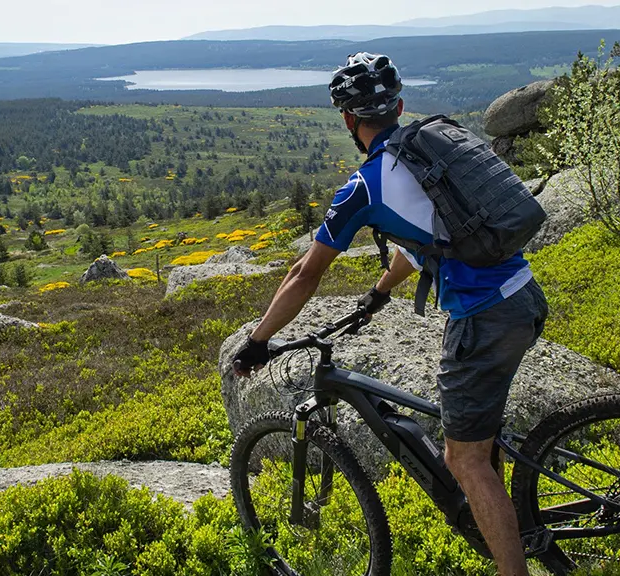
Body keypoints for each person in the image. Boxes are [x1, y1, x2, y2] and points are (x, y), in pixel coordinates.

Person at [231, 52, 548, 576]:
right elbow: (428, 239)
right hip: (523, 294)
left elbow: (304, 275)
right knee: (476, 443)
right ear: (398, 106)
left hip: (484, 316)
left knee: (463, 458)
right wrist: (379, 294)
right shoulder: (428, 150)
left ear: (349, 120)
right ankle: (501, 515)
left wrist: (260, 339)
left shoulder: (365, 185)